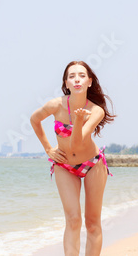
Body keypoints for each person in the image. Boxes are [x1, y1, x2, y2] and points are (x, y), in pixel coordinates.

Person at [30, 60, 115, 256]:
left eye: (82, 75)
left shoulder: (96, 111)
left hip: (92, 165)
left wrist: (78, 121)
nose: (77, 79)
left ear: (90, 82)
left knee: (92, 223)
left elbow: (77, 143)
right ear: (66, 83)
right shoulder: (55, 105)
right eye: (72, 76)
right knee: (73, 219)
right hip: (63, 166)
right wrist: (48, 149)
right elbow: (34, 120)